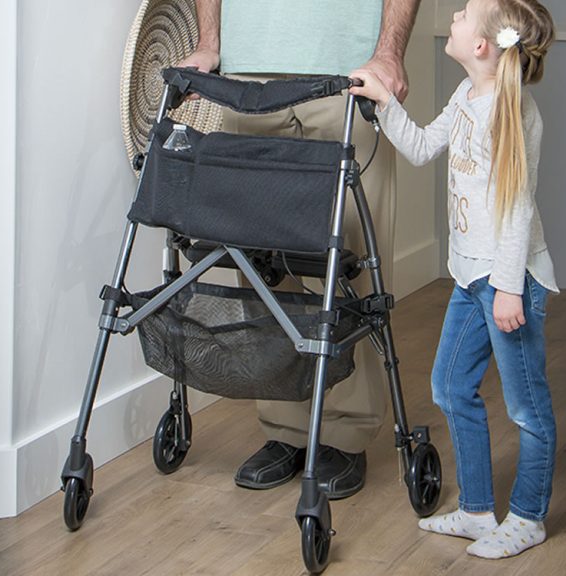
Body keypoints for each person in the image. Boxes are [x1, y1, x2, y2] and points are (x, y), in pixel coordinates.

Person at [179, 0, 421, 501]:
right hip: (248, 72)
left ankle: (346, 430)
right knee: (260, 263)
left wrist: (389, 52)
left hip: (347, 71)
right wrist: (209, 42)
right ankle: (285, 426)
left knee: (348, 262)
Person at [353, 0, 557, 559]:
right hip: (470, 276)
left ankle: (529, 517)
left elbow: (517, 208)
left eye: (465, 13)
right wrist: (385, 101)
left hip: (508, 281)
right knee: (449, 385)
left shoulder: (513, 111)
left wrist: (509, 287)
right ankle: (476, 509)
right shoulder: (466, 95)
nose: (455, 16)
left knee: (526, 407)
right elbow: (421, 148)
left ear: (482, 46)